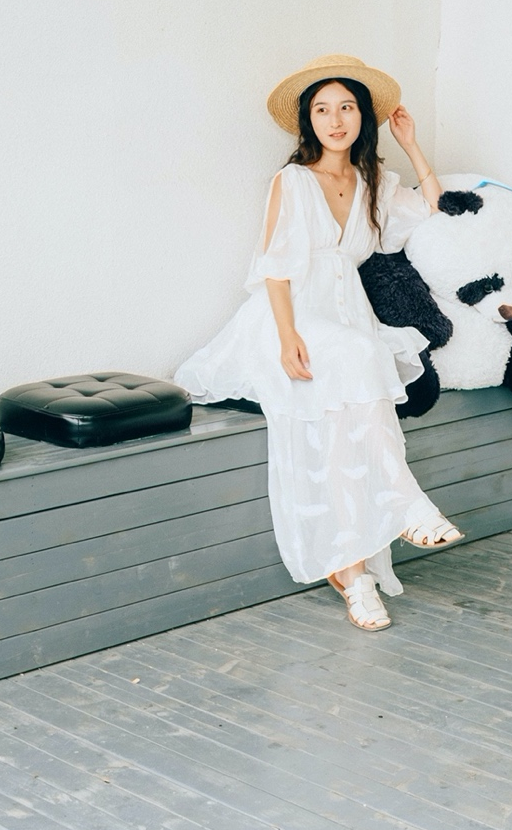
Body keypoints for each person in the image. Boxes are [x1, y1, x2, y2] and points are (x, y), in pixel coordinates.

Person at [175, 53, 461, 631]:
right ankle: (406, 504)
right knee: (362, 359)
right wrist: (287, 339)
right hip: (287, 318)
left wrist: (411, 145)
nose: (336, 120)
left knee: (340, 428)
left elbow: (435, 209)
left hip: (347, 318)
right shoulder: (293, 181)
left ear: (362, 118)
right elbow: (274, 268)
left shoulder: (374, 183)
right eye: (323, 110)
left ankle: (353, 575)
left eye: (347, 108)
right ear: (308, 120)